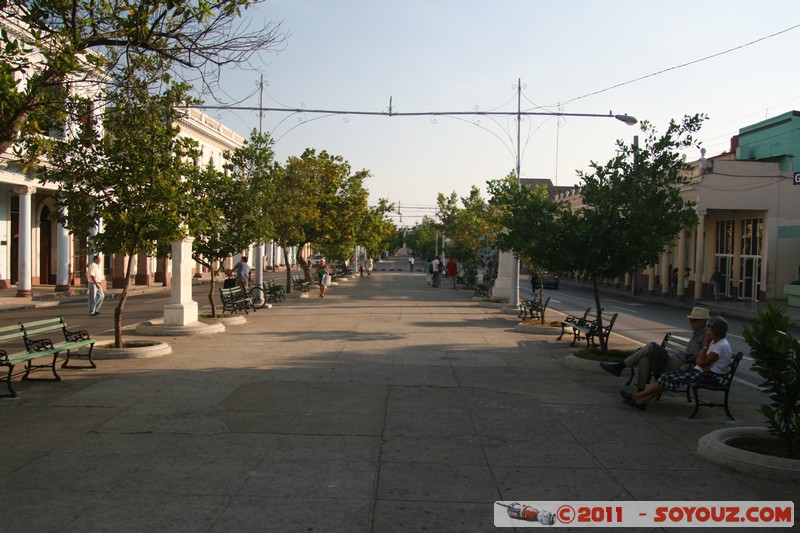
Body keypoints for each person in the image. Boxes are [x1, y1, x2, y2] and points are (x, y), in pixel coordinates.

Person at [621, 316, 733, 411]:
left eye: (709, 329)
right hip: (700, 371)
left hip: (708, 376)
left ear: (715, 330)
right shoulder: (715, 342)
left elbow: (701, 361)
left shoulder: (721, 346)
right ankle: (642, 401)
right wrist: (703, 353)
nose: (707, 332)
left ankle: (637, 396)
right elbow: (697, 357)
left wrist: (705, 346)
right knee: (667, 377)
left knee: (667, 377)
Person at [600, 306, 709, 391]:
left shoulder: (705, 335)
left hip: (684, 364)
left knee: (651, 346)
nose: (691, 323)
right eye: (690, 320)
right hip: (677, 358)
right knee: (644, 359)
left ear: (703, 322)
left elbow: (701, 354)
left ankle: (620, 366)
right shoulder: (696, 333)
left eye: (694, 321)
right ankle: (639, 395)